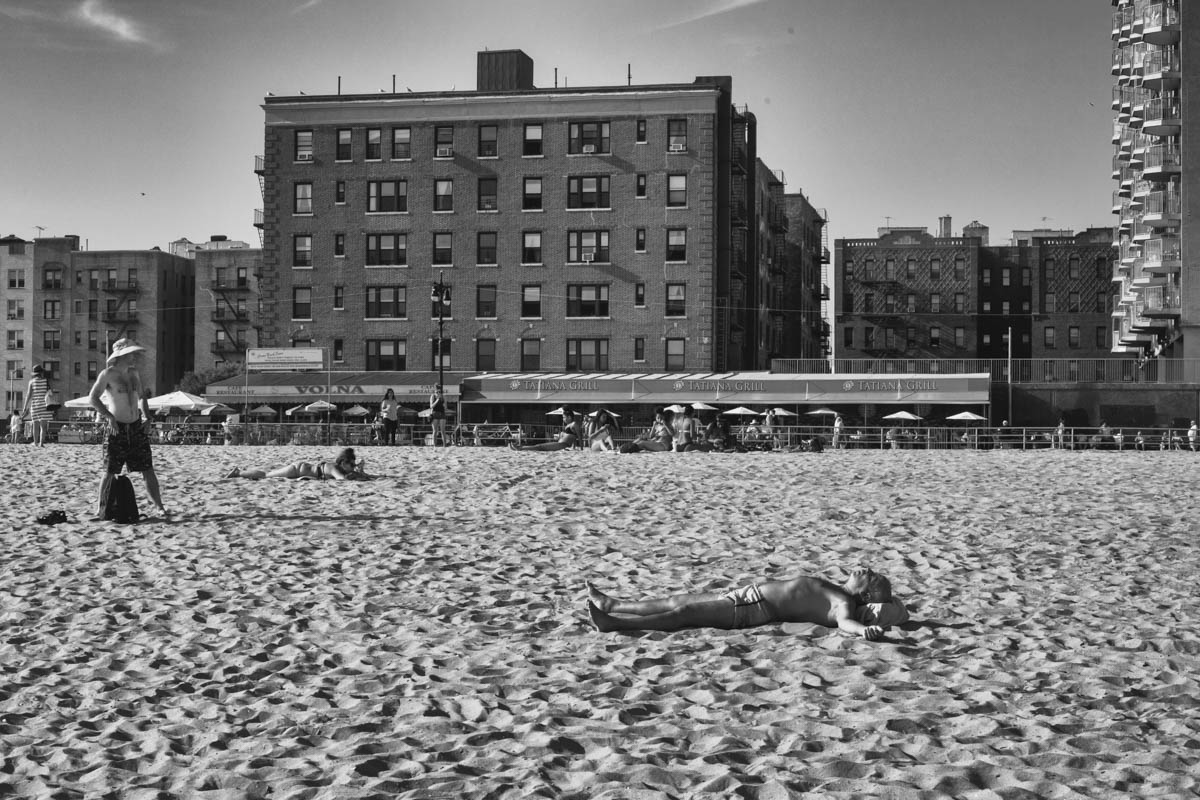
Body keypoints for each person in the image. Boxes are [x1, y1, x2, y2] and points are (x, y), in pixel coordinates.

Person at [587, 567, 908, 641]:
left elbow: (845, 623)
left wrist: (866, 630)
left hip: (752, 609)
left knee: (684, 614)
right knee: (675, 600)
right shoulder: (837, 587)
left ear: (865, 595)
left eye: (871, 576)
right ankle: (614, 603)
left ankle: (615, 623)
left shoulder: (842, 602)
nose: (865, 569)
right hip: (748, 594)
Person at [88, 338, 167, 519]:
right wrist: (109, 417)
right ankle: (101, 508)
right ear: (122, 354)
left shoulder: (134, 373)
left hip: (136, 427)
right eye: (132, 353)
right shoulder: (107, 374)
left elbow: (141, 397)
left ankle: (159, 507)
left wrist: (147, 416)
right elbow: (93, 398)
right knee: (109, 471)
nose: (135, 357)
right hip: (117, 428)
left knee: (147, 469)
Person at [224, 447, 372, 480]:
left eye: (353, 464)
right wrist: (359, 474)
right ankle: (239, 473)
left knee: (268, 474)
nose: (352, 467)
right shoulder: (334, 468)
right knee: (266, 475)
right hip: (298, 470)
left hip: (302, 468)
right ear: (343, 462)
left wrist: (359, 470)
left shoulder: (339, 468)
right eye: (351, 464)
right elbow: (343, 480)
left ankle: (241, 472)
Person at [510, 408, 581, 451]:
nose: (563, 419)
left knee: (540, 447)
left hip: (562, 445)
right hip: (560, 445)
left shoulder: (574, 424)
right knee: (540, 446)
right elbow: (573, 437)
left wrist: (581, 449)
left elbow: (579, 437)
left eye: (564, 417)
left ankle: (520, 448)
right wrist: (573, 447)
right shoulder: (568, 425)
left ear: (569, 417)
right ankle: (520, 447)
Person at [20, 364, 54, 446]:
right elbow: (51, 393)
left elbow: (28, 395)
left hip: (35, 405)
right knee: (43, 426)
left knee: (35, 425)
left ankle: (35, 442)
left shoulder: (31, 382)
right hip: (44, 405)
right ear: (41, 372)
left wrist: (25, 406)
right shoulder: (46, 381)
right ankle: (41, 443)